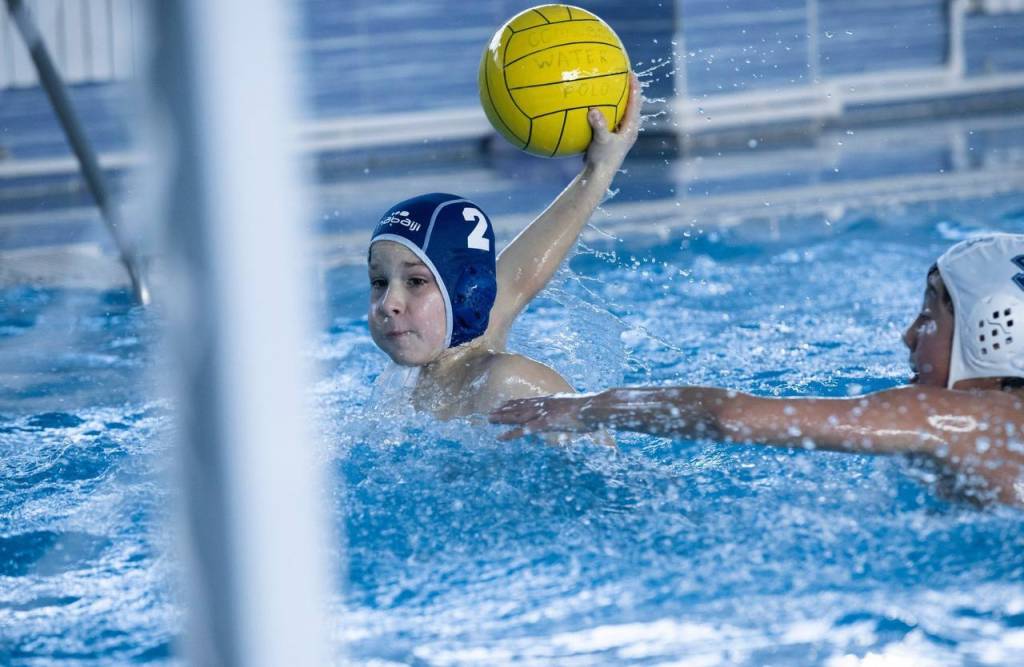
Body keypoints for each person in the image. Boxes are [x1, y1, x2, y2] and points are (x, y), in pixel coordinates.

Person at [490, 233, 1024, 506]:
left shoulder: (963, 418)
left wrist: (587, 406)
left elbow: (731, 417)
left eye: (929, 316)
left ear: (990, 330)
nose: (909, 334)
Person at [367, 74, 641, 419]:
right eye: (379, 281)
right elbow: (519, 277)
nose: (388, 304)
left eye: (416, 281)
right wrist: (600, 167)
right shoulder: (418, 372)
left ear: (466, 294)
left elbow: (604, 452)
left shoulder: (507, 382)